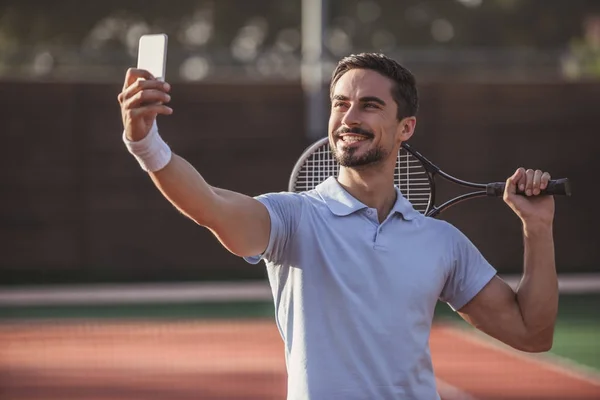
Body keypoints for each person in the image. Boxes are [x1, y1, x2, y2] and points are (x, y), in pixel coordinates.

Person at [117, 53, 558, 400]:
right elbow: (209, 205)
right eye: (341, 104)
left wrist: (536, 228)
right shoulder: (292, 218)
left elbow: (531, 334)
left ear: (406, 127)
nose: (349, 118)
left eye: (369, 105)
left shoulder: (442, 242)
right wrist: (145, 143)